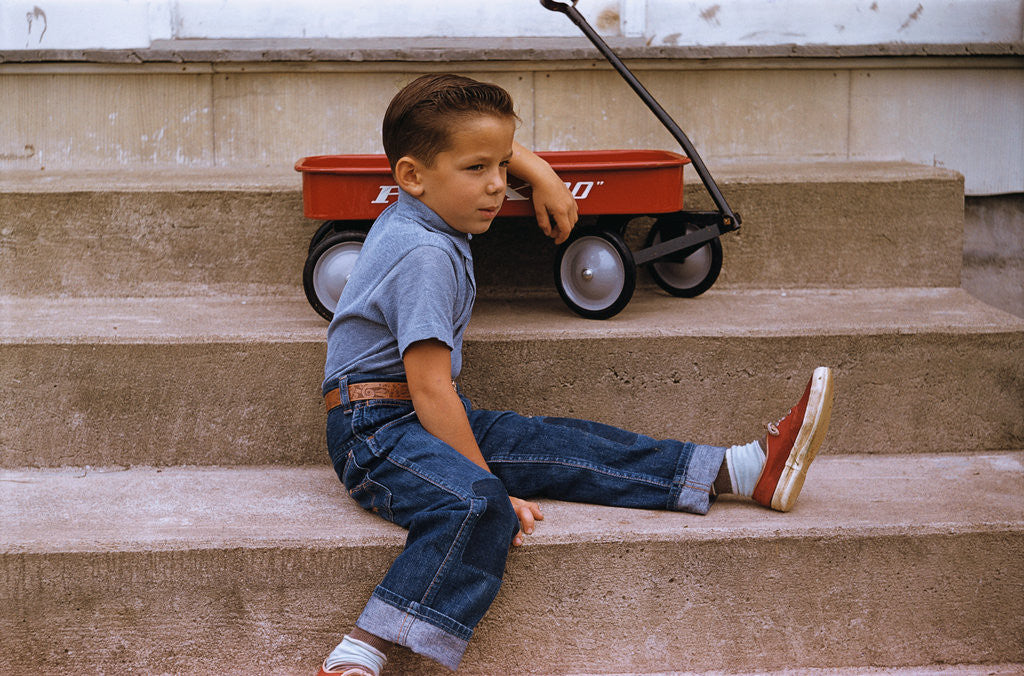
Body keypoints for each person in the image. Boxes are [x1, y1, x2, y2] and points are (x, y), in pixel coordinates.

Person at [316, 74, 835, 676]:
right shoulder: (424, 255)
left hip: (405, 416)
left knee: (552, 441)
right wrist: (487, 483)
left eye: (503, 167)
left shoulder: (426, 216)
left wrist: (540, 175)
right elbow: (432, 388)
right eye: (477, 170)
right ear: (412, 176)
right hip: (374, 434)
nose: (495, 186)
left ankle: (740, 471)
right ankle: (359, 652)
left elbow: (484, 150)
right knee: (479, 504)